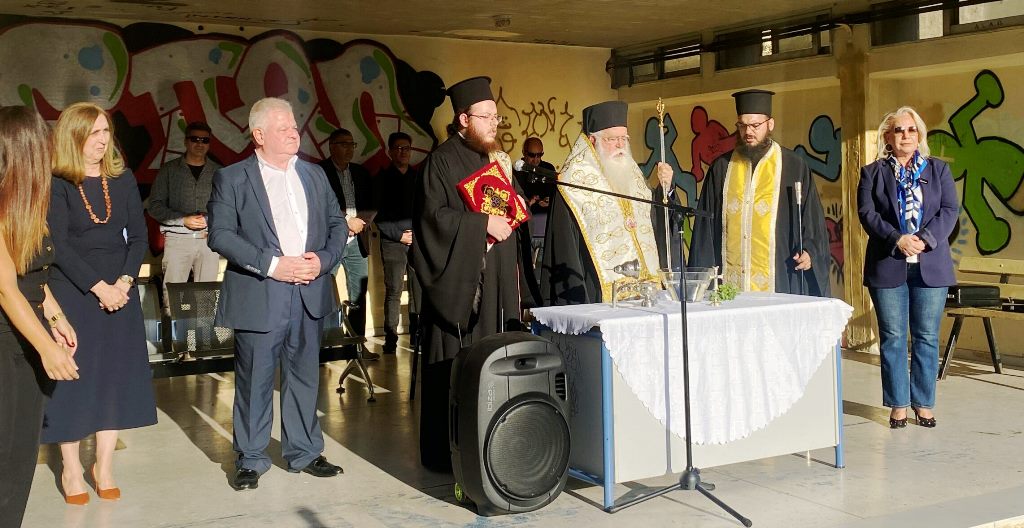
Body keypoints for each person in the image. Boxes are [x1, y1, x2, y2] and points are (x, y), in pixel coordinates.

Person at [207, 97, 347, 491]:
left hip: (309, 291)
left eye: (294, 126)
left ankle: (304, 452)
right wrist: (272, 265)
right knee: (254, 380)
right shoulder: (232, 178)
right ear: (259, 134)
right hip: (261, 292)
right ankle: (251, 458)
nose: (293, 133)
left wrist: (323, 261)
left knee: (304, 376)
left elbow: (337, 224)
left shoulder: (315, 175)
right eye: (283, 127)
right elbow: (220, 235)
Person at [42, 101, 157, 504]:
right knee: (74, 379)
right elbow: (58, 246)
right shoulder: (57, 182)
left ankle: (103, 466)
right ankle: (71, 468)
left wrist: (123, 282)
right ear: (73, 137)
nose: (102, 140)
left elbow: (138, 238)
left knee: (114, 378)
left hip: (120, 290)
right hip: (73, 290)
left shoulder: (122, 179)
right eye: (93, 133)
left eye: (106, 131)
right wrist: (98, 287)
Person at [410, 76, 524, 470]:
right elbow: (432, 220)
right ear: (463, 119)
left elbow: (508, 204)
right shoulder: (440, 162)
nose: (495, 123)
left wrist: (516, 209)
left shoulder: (497, 160)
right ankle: (449, 453)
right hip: (462, 287)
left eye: (497, 117)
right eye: (487, 117)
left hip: (497, 283)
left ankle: (495, 443)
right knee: (457, 369)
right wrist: (481, 224)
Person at [0, 106, 80, 524]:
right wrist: (48, 349)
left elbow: (32, 273)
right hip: (7, 342)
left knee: (21, 455)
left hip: (28, 337)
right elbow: (5, 288)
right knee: (6, 456)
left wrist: (56, 316)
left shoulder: (28, 202)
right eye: (46, 144)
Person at [857, 106, 957, 429]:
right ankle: (898, 404)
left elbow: (949, 211)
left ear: (920, 135)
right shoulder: (872, 173)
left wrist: (924, 239)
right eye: (899, 130)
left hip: (931, 267)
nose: (906, 135)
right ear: (888, 136)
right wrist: (897, 239)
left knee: (927, 336)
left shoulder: (938, 170)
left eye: (911, 129)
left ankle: (924, 404)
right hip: (888, 265)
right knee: (893, 337)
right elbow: (867, 214)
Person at [691, 89, 830, 296]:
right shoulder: (721, 168)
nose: (748, 132)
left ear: (770, 124)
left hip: (779, 279)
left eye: (755, 125)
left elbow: (812, 220)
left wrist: (810, 252)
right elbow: (705, 229)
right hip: (728, 286)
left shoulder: (793, 166)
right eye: (742, 125)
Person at [539, 100, 674, 305]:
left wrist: (665, 189)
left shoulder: (633, 175)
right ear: (592, 141)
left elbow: (654, 221)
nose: (620, 145)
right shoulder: (572, 185)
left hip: (647, 293)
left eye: (624, 138)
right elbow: (566, 249)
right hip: (598, 291)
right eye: (612, 139)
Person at [146, 121, 222, 308]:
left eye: (204, 140)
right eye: (195, 139)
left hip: (208, 240)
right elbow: (154, 205)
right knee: (173, 298)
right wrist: (182, 220)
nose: (199, 144)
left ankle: (203, 329)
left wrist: (210, 220)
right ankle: (172, 329)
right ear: (186, 141)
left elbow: (226, 206)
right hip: (177, 240)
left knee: (206, 299)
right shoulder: (169, 170)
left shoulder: (219, 172)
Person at [318, 128, 375, 343]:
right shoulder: (319, 172)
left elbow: (372, 202)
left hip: (357, 242)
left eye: (352, 144)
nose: (349, 149)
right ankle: (327, 342)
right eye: (344, 144)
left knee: (359, 294)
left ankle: (357, 344)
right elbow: (319, 204)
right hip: (330, 241)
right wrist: (345, 222)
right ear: (331, 146)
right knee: (325, 292)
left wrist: (361, 222)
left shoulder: (361, 172)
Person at [374, 132, 419, 354]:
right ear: (390, 152)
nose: (403, 152)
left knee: (417, 290)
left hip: (417, 241)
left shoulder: (418, 177)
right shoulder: (381, 179)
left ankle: (416, 337)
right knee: (394, 290)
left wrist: (416, 234)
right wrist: (399, 235)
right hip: (393, 242)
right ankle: (390, 337)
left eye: (407, 148)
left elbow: (425, 210)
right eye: (398, 148)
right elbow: (378, 215)